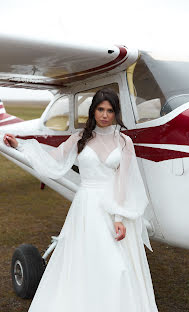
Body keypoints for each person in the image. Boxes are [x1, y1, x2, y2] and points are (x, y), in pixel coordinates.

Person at [3, 88, 159, 312]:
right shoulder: (80, 138)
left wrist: (119, 217)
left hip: (112, 208)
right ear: (93, 111)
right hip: (86, 208)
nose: (105, 115)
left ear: (116, 113)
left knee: (117, 269)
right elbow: (52, 161)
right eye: (100, 109)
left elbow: (123, 181)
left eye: (110, 110)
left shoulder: (125, 142)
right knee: (85, 264)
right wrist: (21, 146)